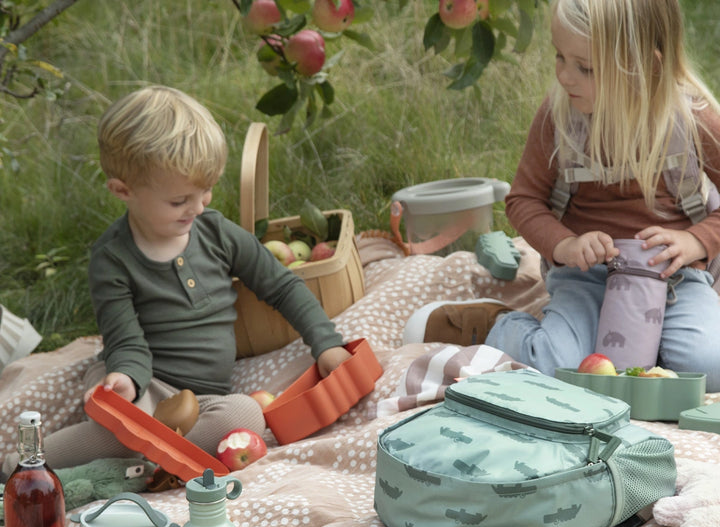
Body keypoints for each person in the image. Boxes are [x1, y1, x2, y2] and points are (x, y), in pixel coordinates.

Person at [2, 85, 351, 473]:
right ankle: (20, 463)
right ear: (123, 191)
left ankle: (143, 458)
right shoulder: (113, 259)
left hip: (200, 399)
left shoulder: (216, 233)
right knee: (119, 427)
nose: (199, 206)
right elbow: (125, 340)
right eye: (179, 201)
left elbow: (282, 286)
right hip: (141, 381)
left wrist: (326, 344)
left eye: (206, 190)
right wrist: (126, 381)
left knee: (246, 416)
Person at [403, 0, 720, 392]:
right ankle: (498, 324)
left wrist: (696, 240)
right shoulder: (560, 117)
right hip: (587, 277)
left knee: (710, 367)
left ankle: (641, 349)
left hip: (673, 277)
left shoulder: (691, 121)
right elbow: (523, 199)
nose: (564, 76)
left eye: (585, 67)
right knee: (558, 368)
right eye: (559, 56)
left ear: (648, 69)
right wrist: (566, 245)